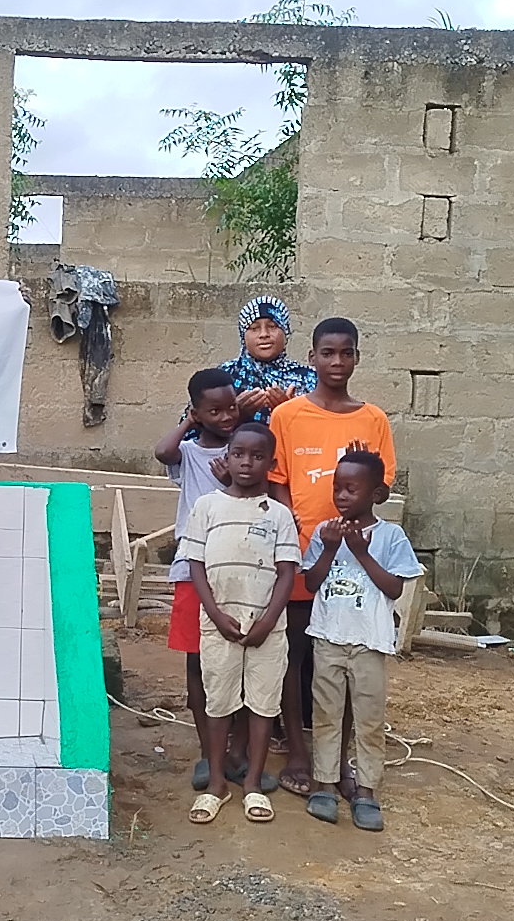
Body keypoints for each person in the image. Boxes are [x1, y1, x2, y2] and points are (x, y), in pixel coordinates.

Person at [266, 317, 397, 798]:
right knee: (293, 653)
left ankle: (336, 761)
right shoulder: (288, 416)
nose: (337, 362)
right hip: (303, 553)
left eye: (346, 353)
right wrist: (294, 534)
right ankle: (298, 752)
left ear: (357, 357)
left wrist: (365, 470)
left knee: (342, 658)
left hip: (354, 564)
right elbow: (277, 481)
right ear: (312, 358)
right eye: (327, 353)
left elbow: (382, 487)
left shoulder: (373, 420)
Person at [157, 369, 277, 798]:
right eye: (215, 410)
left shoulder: (245, 452)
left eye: (231, 407)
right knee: (199, 663)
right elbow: (162, 451)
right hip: (195, 573)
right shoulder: (190, 453)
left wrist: (232, 477)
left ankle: (238, 753)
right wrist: (189, 422)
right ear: (196, 412)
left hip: (246, 573)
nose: (226, 417)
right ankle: (210, 753)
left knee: (244, 663)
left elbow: (263, 500)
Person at [176, 422, 300, 825]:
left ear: (272, 464)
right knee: (218, 701)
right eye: (239, 454)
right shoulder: (207, 507)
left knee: (262, 704)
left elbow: (286, 572)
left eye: (257, 456)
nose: (247, 462)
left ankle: (252, 784)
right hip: (219, 623)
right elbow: (195, 564)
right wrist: (214, 613)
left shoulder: (279, 514)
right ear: (226, 459)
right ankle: (216, 784)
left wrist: (268, 620)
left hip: (267, 628)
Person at [299, 450, 423, 832]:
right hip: (328, 638)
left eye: (351, 489)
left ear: (376, 495)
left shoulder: (391, 536)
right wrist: (331, 548)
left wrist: (361, 553)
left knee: (369, 719)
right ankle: (324, 783)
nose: (341, 495)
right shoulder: (326, 533)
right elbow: (311, 582)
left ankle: (366, 790)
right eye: (337, 487)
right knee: (326, 714)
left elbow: (394, 587)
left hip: (369, 643)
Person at [183, 295, 319, 432]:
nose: (264, 334)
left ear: (286, 331)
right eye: (254, 328)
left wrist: (288, 411)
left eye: (272, 326)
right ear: (243, 335)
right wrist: (236, 414)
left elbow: (323, 431)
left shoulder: (309, 378)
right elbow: (190, 435)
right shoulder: (224, 377)